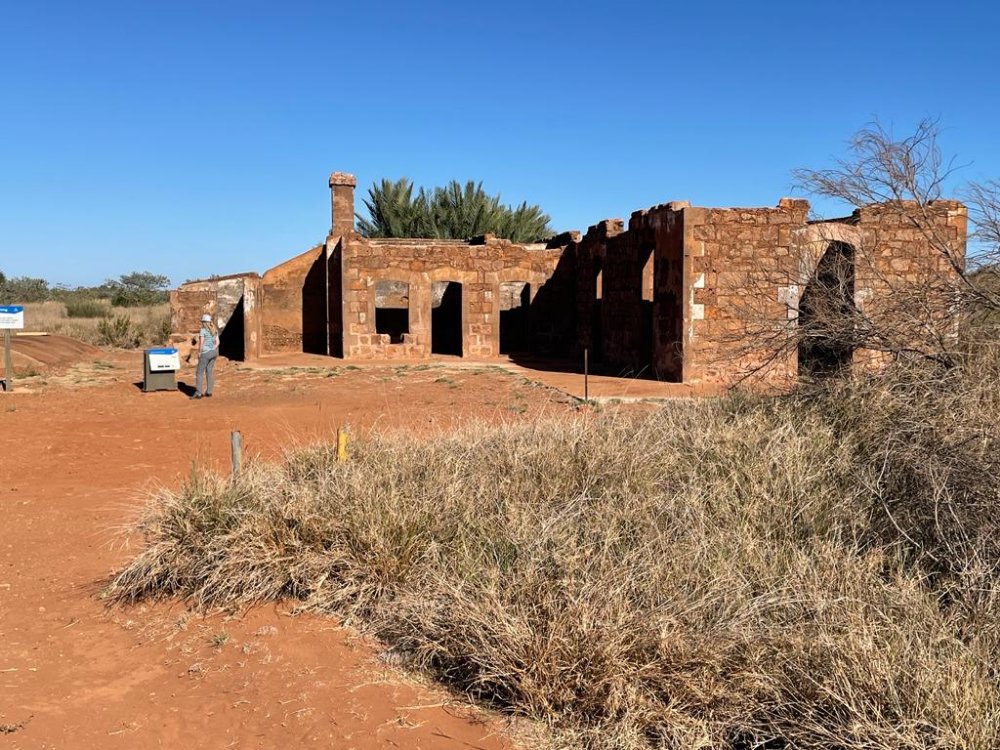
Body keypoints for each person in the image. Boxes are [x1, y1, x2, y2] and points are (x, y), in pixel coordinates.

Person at [192, 313, 218, 399]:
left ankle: (199, 393)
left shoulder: (203, 330)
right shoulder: (214, 330)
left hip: (206, 353)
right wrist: (213, 348)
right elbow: (218, 342)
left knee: (199, 372)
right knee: (209, 370)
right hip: (214, 352)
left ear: (203, 322)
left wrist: (199, 352)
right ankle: (209, 392)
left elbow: (201, 343)